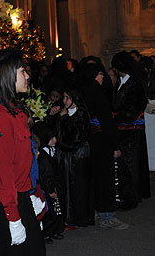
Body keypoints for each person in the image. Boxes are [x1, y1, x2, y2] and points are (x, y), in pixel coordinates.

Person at [0, 48, 46, 256]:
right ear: (7, 75)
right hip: (5, 198)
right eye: (22, 71)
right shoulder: (0, 118)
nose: (28, 75)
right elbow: (2, 174)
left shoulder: (14, 111)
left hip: (18, 194)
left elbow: (23, 162)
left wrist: (33, 192)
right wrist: (13, 218)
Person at [77, 62, 128, 230]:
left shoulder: (82, 90)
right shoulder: (97, 92)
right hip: (102, 140)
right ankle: (107, 216)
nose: (103, 77)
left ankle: (97, 213)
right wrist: (115, 144)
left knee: (94, 178)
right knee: (105, 178)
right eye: (100, 74)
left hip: (88, 141)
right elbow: (107, 121)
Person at [111, 51, 149, 210]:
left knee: (130, 164)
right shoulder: (121, 81)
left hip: (131, 130)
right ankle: (127, 194)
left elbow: (132, 109)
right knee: (124, 164)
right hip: (123, 129)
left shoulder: (134, 83)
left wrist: (115, 116)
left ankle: (131, 197)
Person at [56, 88, 93, 227]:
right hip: (66, 155)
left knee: (79, 187)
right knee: (66, 185)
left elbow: (76, 137)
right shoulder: (62, 112)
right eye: (64, 97)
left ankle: (81, 216)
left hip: (78, 156)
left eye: (68, 97)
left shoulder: (82, 114)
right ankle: (68, 216)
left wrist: (65, 118)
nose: (65, 101)